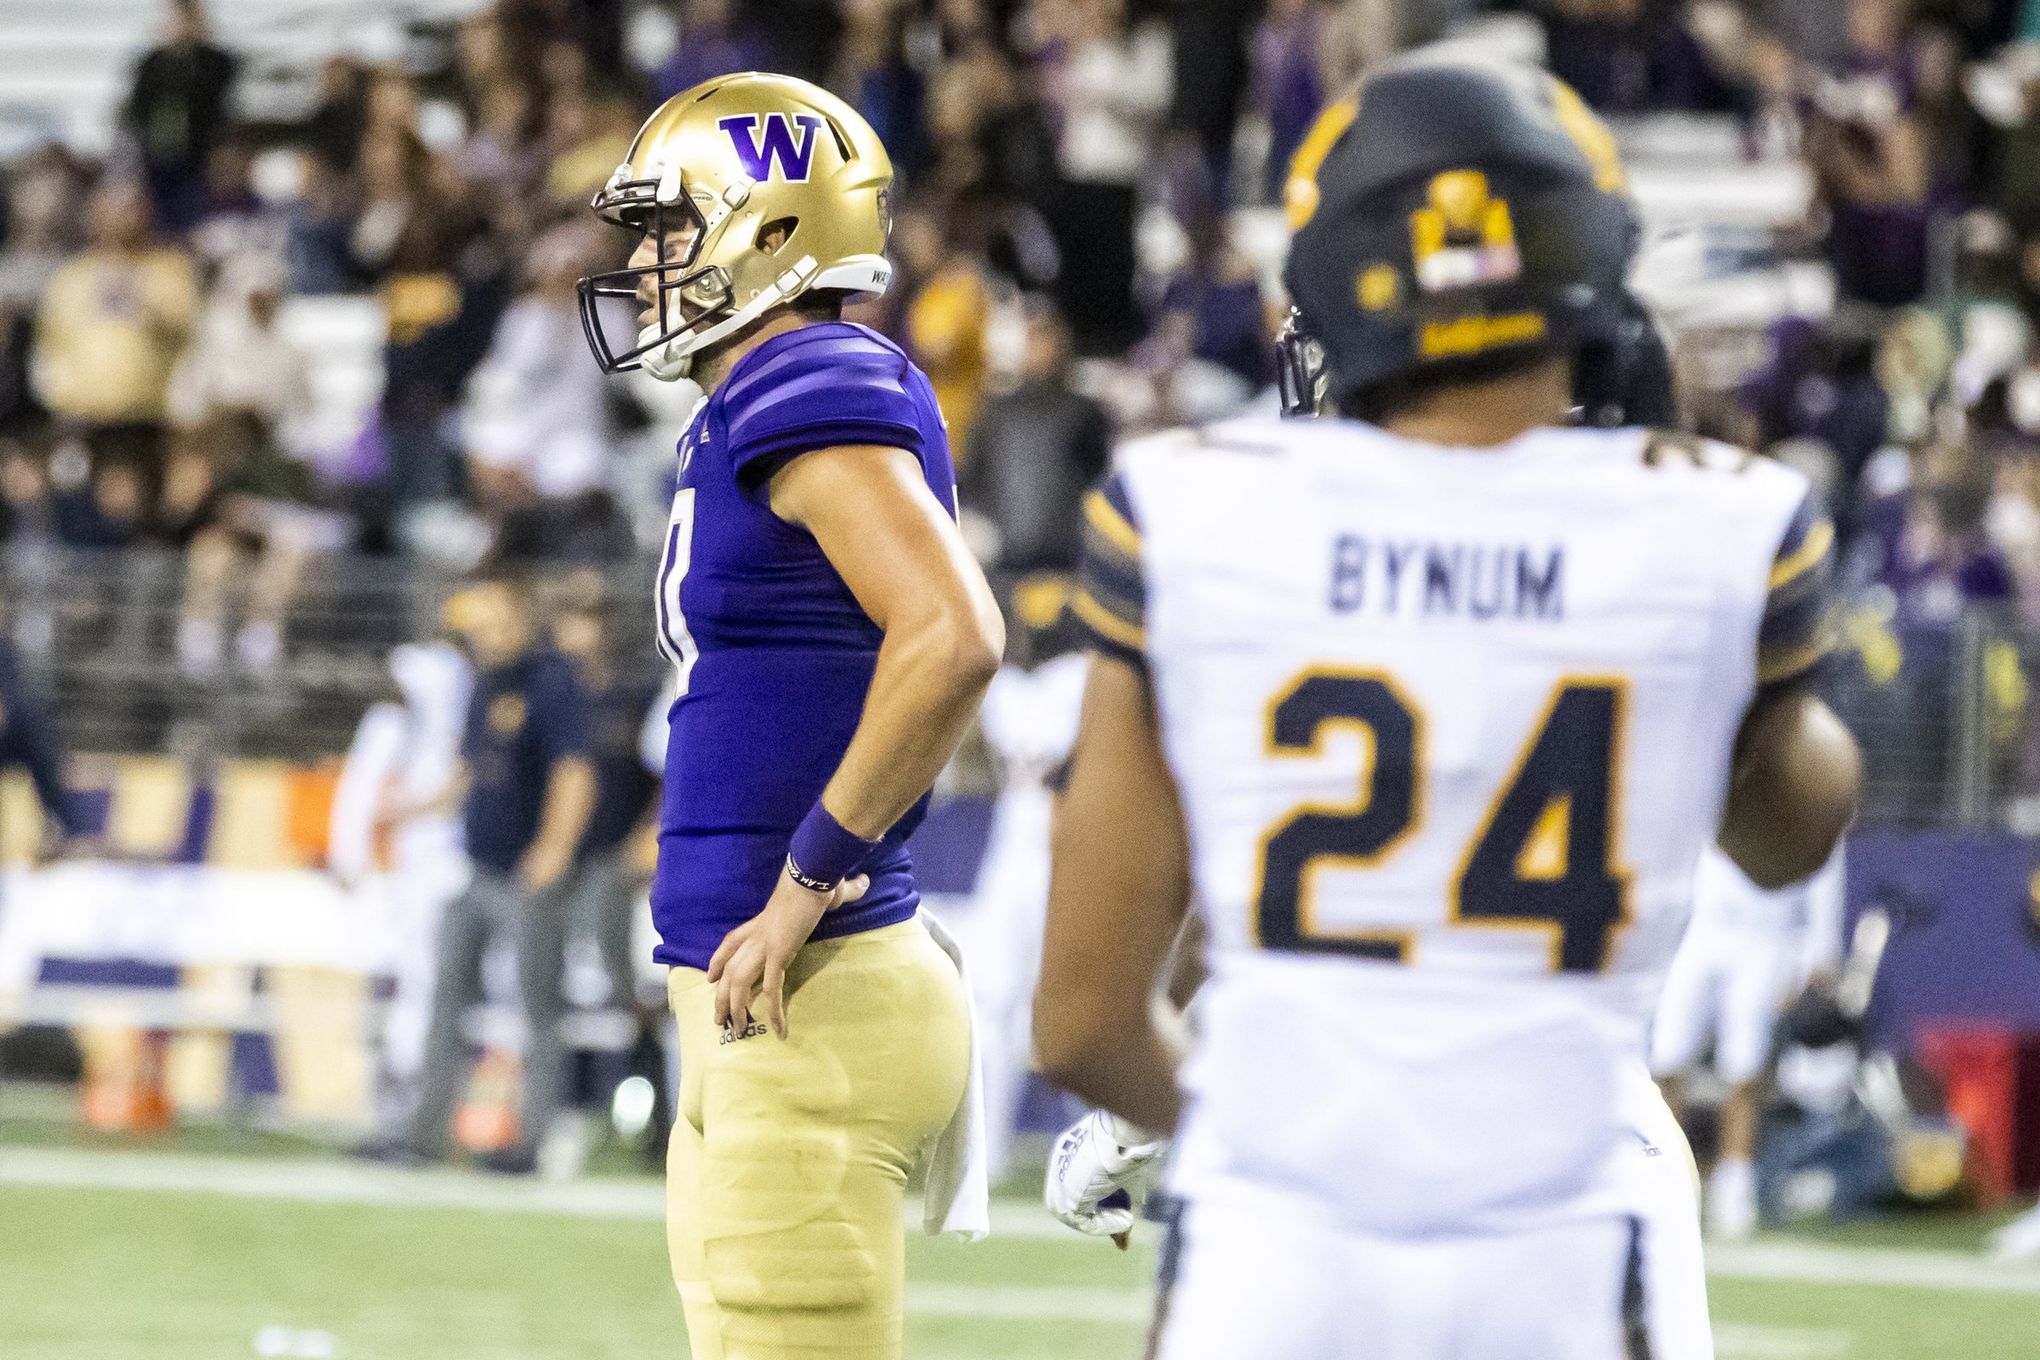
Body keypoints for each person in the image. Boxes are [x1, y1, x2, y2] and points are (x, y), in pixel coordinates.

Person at [1031, 55, 1860, 1359]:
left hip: (1284, 1230)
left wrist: (1244, 1135)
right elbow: (1795, 829)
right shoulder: (1714, 526)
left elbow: (1081, 1016)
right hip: (1574, 1222)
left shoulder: (1205, 510)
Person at [577, 73, 1004, 1360]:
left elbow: (954, 635)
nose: (644, 268)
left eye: (665, 233)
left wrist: (805, 881)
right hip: (768, 996)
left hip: (816, 989)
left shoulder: (808, 379)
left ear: (763, 231)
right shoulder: (759, 400)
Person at [384, 573, 596, 1174]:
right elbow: (471, 771)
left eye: (494, 618)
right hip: (477, 872)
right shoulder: (485, 683)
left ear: (522, 616)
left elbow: (573, 772)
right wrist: (413, 810)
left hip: (525, 874)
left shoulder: (552, 681)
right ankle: (423, 1135)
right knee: (445, 994)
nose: (482, 632)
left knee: (537, 1008)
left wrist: (552, 852)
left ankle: (530, 1143)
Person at [1653, 843, 1847, 1239]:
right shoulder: (1704, 781)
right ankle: (1657, 1183)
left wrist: (1817, 955)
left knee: (1743, 1072)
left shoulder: (1791, 783)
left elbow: (1823, 857)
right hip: (1699, 928)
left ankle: (1733, 1195)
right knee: (1664, 1063)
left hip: (1765, 934)